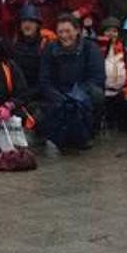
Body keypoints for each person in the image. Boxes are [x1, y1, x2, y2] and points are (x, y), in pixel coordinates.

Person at [39, 14, 105, 154]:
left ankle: (90, 131)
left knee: (96, 95)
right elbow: (45, 80)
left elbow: (97, 78)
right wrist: (56, 96)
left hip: (83, 92)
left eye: (68, 31)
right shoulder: (49, 49)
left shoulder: (91, 48)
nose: (64, 35)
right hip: (58, 93)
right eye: (60, 32)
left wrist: (76, 95)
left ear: (77, 31)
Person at [96, 16, 127, 132]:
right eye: (108, 31)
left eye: (114, 31)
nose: (111, 34)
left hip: (119, 93)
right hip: (100, 93)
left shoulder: (126, 54)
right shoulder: (93, 51)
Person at [9, 4, 56, 113]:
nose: (27, 25)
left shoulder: (46, 45)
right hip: (18, 94)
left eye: (31, 21)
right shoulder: (14, 44)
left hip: (39, 94)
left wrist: (29, 95)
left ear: (38, 25)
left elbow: (47, 78)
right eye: (24, 21)